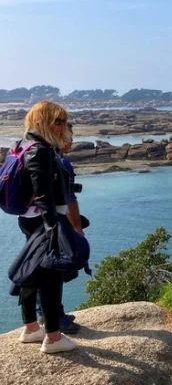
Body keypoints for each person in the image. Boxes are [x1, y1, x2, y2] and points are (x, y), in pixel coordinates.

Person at [15, 101, 79, 353]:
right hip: (45, 222)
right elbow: (43, 194)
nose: (63, 127)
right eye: (58, 121)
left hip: (32, 219)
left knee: (32, 271)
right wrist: (54, 228)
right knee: (51, 277)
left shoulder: (25, 145)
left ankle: (31, 327)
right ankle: (53, 338)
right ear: (42, 122)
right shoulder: (40, 151)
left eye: (64, 121)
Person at [35, 122, 82, 334]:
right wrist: (77, 228)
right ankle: (52, 318)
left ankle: (51, 313)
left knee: (44, 268)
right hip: (51, 222)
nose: (72, 140)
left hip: (35, 219)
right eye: (69, 135)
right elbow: (70, 199)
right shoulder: (60, 162)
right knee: (52, 270)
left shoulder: (46, 156)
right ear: (58, 134)